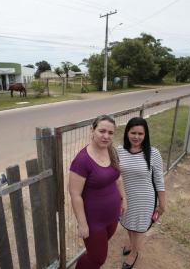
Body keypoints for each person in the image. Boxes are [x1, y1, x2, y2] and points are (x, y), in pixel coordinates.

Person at [69, 115, 126, 269]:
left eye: (110, 133)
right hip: (94, 221)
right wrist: (82, 224)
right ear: (92, 130)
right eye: (102, 131)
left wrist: (123, 199)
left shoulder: (112, 151)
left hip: (112, 215)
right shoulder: (82, 160)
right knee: (97, 259)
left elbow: (118, 178)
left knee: (96, 252)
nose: (106, 136)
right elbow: (75, 195)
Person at [117, 117, 166, 269]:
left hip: (145, 199)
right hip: (126, 197)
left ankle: (134, 253)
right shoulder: (119, 151)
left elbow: (159, 179)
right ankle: (132, 245)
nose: (136, 137)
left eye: (140, 134)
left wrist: (162, 203)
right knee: (129, 225)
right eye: (133, 133)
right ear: (127, 133)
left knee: (138, 227)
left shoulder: (153, 153)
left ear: (145, 135)